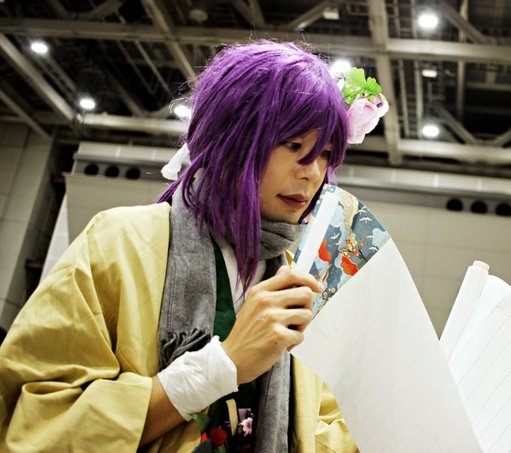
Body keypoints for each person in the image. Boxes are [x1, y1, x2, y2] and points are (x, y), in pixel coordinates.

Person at [0, 40, 387, 452]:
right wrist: (221, 367)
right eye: (294, 146)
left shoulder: (301, 279)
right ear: (231, 138)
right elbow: (37, 419)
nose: (312, 173)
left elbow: (318, 430)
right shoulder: (119, 240)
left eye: (324, 154)